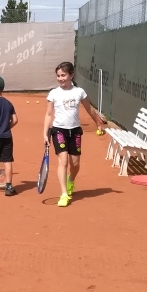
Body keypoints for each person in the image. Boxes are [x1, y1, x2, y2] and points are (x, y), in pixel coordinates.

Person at [43, 61, 105, 207]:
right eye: (58, 76)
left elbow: (89, 109)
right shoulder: (53, 93)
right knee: (63, 161)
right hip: (58, 130)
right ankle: (64, 194)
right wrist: (45, 133)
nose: (60, 78)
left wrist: (98, 123)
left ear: (71, 75)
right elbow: (48, 114)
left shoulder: (79, 92)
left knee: (75, 164)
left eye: (63, 75)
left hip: (75, 131)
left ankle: (71, 180)